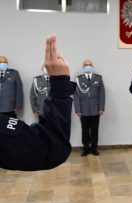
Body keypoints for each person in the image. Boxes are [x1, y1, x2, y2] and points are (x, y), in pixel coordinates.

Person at [0, 34, 76, 171]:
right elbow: (51, 149)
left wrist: (16, 105)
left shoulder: (13, 74)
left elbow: (17, 91)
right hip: (44, 112)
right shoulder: (37, 80)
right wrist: (60, 84)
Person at [74, 59, 105, 156]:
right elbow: (76, 96)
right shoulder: (78, 79)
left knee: (95, 130)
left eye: (90, 65)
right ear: (83, 67)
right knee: (85, 131)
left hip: (96, 110)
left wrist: (101, 108)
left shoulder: (98, 78)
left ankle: (94, 148)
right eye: (86, 65)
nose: (88, 66)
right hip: (83, 110)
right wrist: (77, 109)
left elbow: (102, 94)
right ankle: (86, 148)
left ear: (92, 66)